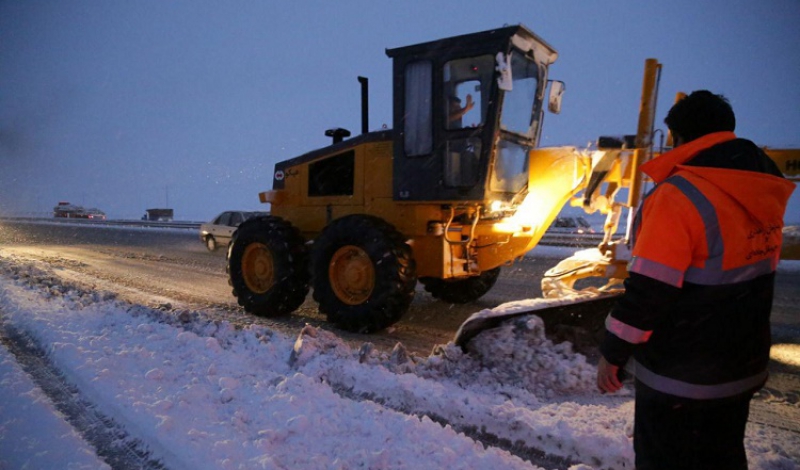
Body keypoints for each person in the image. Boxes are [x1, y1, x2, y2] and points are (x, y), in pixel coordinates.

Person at [596, 90, 795, 469]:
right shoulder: (764, 186)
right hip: (741, 367)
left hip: (681, 376)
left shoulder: (678, 196)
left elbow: (649, 291)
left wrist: (613, 353)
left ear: (678, 137)